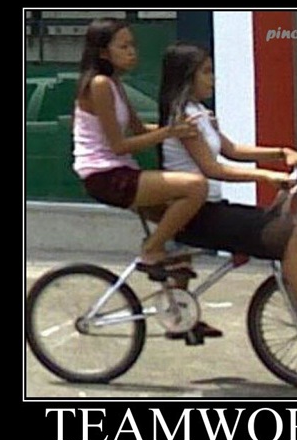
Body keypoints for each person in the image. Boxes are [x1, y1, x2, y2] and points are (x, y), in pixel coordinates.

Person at [156, 42, 297, 351]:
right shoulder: (183, 120)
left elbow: (232, 150)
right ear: (186, 77)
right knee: (286, 232)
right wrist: (267, 176)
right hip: (195, 215)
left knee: (283, 227)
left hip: (210, 208)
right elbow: (213, 168)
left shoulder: (200, 113)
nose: (213, 79)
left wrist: (282, 153)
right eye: (206, 72)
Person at [72, 19, 208, 267]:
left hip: (121, 171)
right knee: (195, 187)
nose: (132, 52)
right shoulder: (100, 85)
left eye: (132, 45)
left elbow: (140, 130)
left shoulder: (115, 84)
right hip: (105, 176)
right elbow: (119, 146)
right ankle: (151, 249)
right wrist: (169, 132)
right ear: (103, 53)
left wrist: (186, 129)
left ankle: (175, 290)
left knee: (181, 227)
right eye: (123, 47)